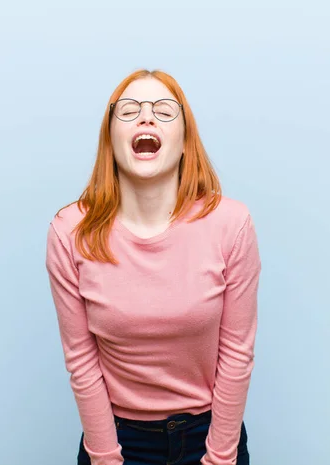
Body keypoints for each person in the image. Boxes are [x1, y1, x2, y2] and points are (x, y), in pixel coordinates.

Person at [45, 69, 262, 465]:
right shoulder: (69, 231)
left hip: (211, 435)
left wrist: (220, 457)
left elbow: (236, 353)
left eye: (164, 110)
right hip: (116, 440)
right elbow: (80, 358)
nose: (146, 117)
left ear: (184, 142)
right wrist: (107, 458)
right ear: (110, 140)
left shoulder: (231, 224)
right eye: (128, 110)